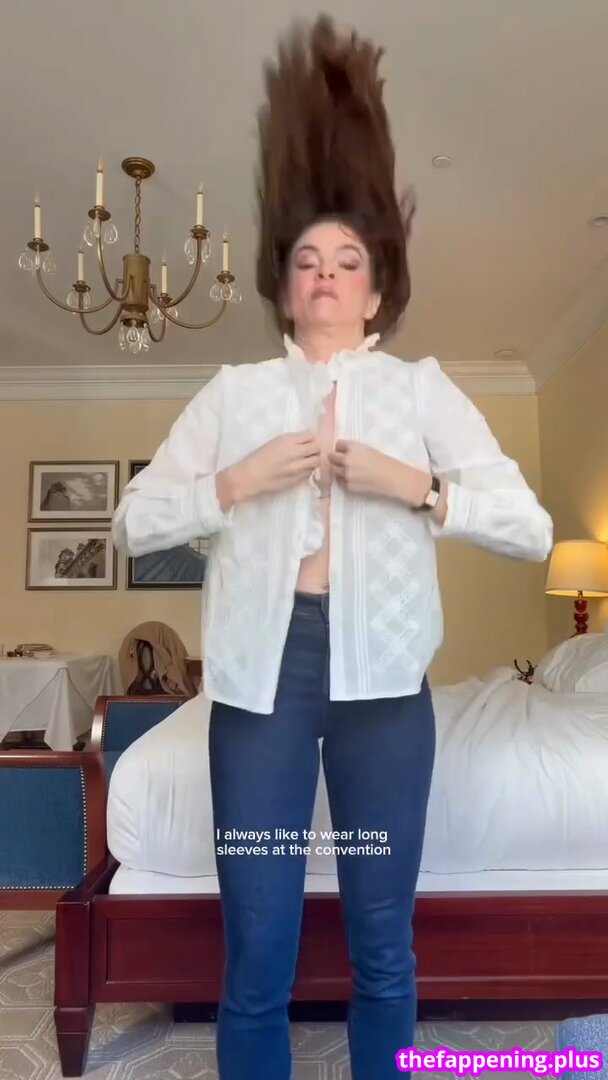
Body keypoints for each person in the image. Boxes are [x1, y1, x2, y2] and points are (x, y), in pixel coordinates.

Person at [111, 16, 553, 1080]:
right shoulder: (234, 395)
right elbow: (131, 522)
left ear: (377, 287)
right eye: (307, 259)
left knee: (382, 942)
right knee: (257, 944)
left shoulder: (421, 391)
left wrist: (422, 490)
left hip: (385, 690)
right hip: (258, 683)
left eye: (347, 260)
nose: (325, 274)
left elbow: (531, 527)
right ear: (282, 282)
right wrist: (234, 484)